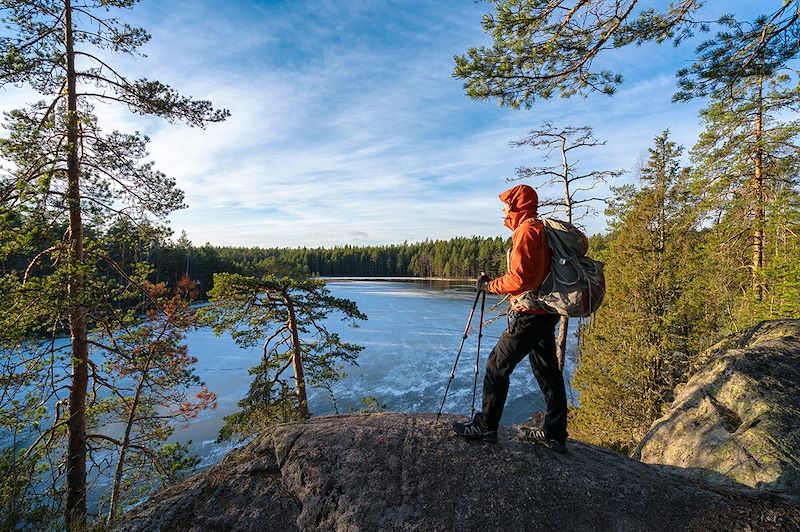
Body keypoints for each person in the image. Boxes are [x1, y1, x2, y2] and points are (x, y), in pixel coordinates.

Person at [452, 184, 567, 453]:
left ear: (517, 205)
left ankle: (486, 427)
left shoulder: (527, 231)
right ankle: (555, 433)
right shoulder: (539, 229)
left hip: (530, 314)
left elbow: (520, 278)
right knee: (548, 372)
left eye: (505, 204)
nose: (502, 209)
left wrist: (489, 286)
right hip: (546, 312)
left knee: (496, 366)